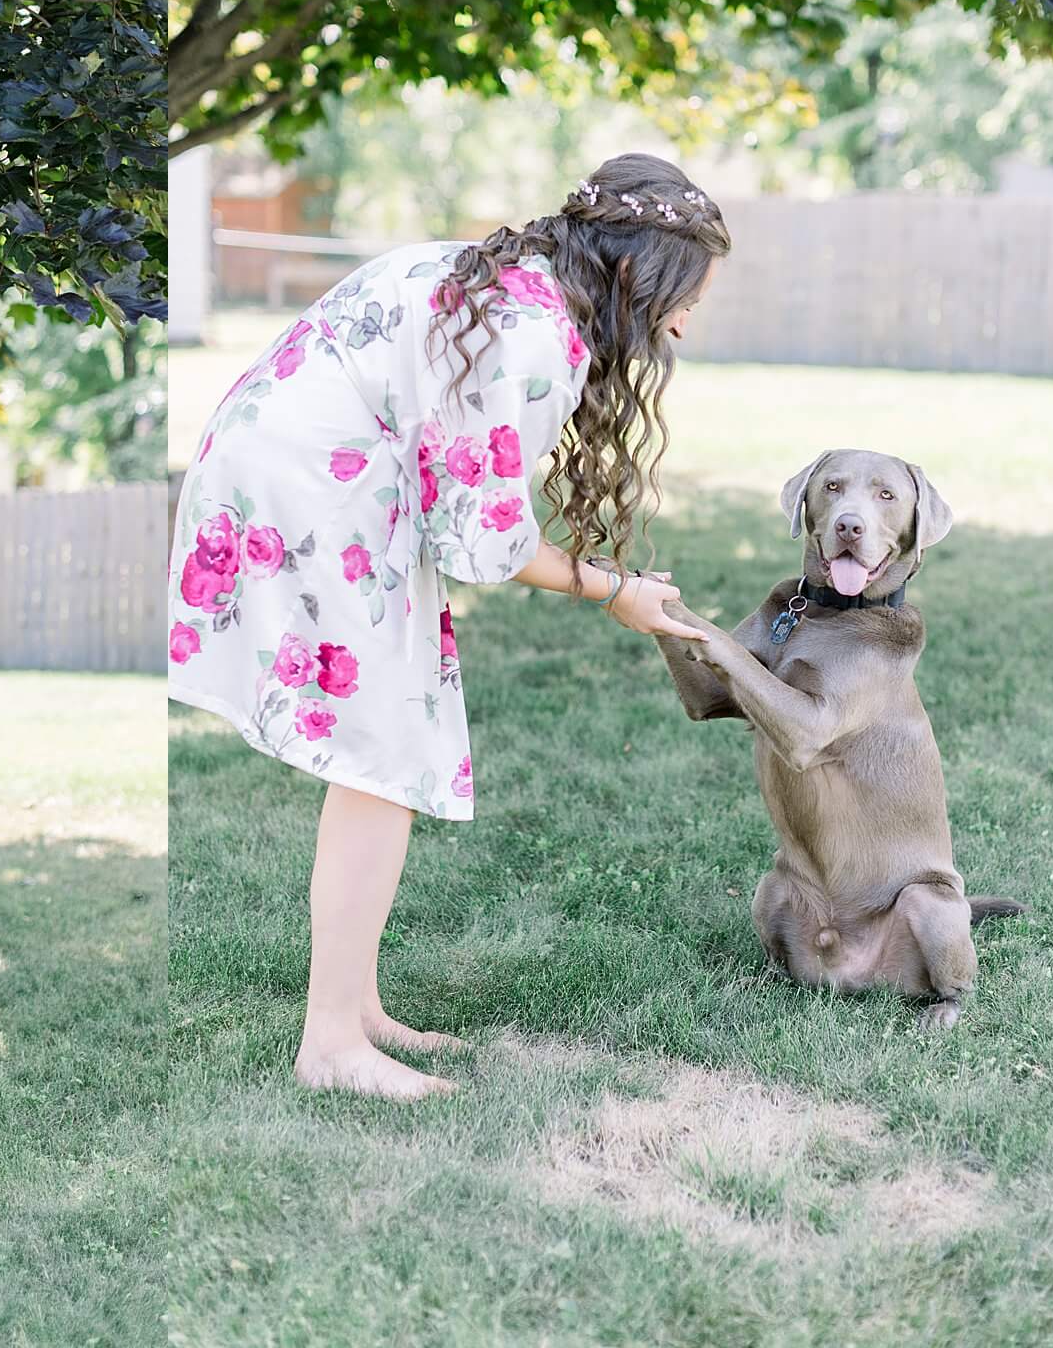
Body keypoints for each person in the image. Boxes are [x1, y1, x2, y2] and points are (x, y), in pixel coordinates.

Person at [167, 152, 729, 1102]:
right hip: (314, 492)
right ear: (639, 273)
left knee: (389, 749)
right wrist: (614, 589)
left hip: (300, 472)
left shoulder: (510, 281)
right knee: (383, 760)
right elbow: (487, 541)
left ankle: (358, 1006)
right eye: (687, 295)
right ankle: (332, 1044)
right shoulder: (534, 333)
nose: (686, 322)